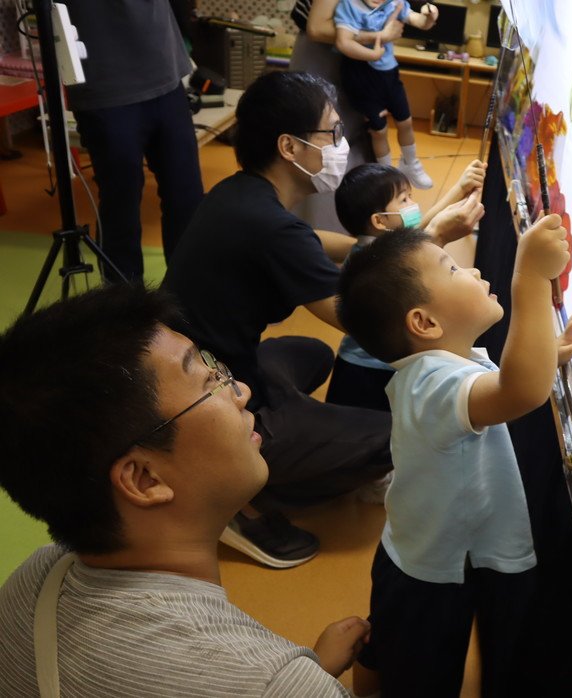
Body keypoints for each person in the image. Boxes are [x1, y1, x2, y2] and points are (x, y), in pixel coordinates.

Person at [162, 71, 479, 569]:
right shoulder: (273, 227)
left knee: (311, 354)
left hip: (193, 369)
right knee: (393, 436)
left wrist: (393, 240)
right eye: (331, 133)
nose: (339, 145)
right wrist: (432, 241)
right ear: (289, 146)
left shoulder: (242, 195)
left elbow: (322, 244)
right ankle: (232, 498)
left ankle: (282, 435)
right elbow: (364, 319)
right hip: (204, 401)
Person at [0, 285, 369, 697]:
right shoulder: (274, 683)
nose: (241, 391)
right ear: (144, 479)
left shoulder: (35, 582)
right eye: (210, 381)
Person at [336, 222, 572, 696]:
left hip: (424, 549)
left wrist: (547, 352)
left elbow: (508, 377)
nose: (472, 271)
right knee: (415, 674)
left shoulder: (441, 364)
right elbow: (520, 390)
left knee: (391, 646)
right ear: (424, 323)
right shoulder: (433, 384)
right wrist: (530, 277)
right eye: (452, 269)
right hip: (430, 573)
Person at [327, 158, 487, 411]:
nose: (413, 205)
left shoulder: (376, 248)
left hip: (367, 365)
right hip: (367, 373)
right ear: (380, 221)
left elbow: (423, 231)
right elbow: (427, 236)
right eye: (404, 200)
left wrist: (460, 188)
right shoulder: (379, 264)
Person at [61, 0, 204, 282]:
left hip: (165, 70)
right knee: (121, 203)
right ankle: (125, 301)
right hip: (105, 81)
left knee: (186, 195)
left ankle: (188, 292)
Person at [289, 0, 405, 233]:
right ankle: (322, 240)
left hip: (358, 63)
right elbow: (317, 28)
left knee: (360, 148)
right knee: (323, 153)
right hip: (325, 60)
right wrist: (379, 35)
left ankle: (357, 238)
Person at [333, 0, 439, 189]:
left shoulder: (394, 3)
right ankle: (386, 176)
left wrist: (429, 16)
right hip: (362, 78)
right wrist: (372, 55)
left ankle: (411, 164)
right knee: (379, 131)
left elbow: (419, 21)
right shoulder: (349, 6)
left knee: (405, 122)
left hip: (389, 74)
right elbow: (343, 42)